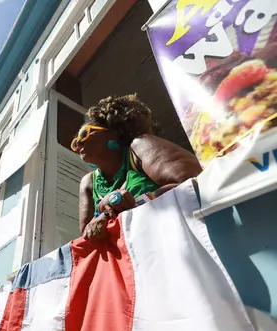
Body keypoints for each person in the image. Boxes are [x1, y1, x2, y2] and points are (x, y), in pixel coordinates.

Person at [73, 94, 202, 241]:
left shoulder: (139, 146)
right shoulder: (88, 182)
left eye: (84, 134)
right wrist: (105, 213)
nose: (78, 145)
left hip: (177, 238)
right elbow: (86, 237)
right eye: (75, 142)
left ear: (113, 132)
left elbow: (193, 182)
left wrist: (137, 202)